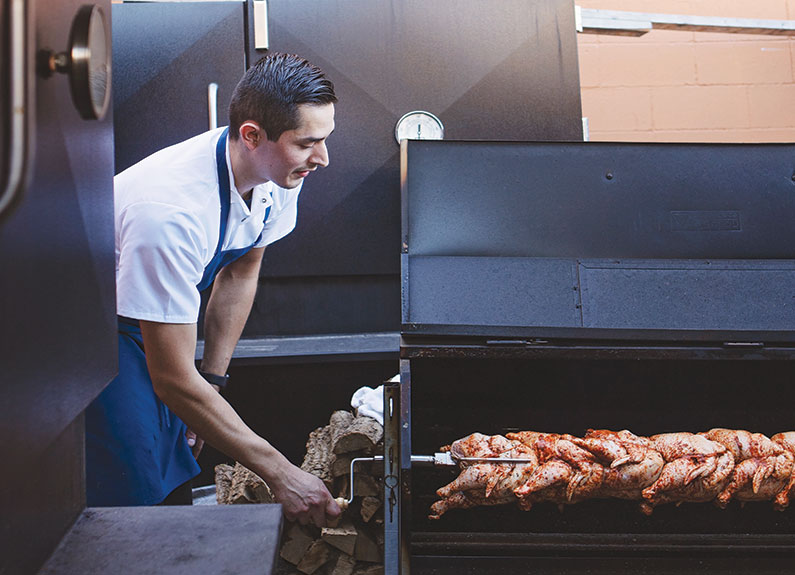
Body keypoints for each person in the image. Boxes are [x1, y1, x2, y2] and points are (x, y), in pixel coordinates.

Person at [86, 52, 341, 528]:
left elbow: (242, 269)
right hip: (92, 336)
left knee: (181, 468)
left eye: (324, 139)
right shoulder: (171, 213)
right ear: (251, 135)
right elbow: (172, 379)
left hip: (156, 329)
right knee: (135, 491)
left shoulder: (279, 172)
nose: (322, 158)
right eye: (308, 143)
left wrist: (213, 380)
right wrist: (281, 473)